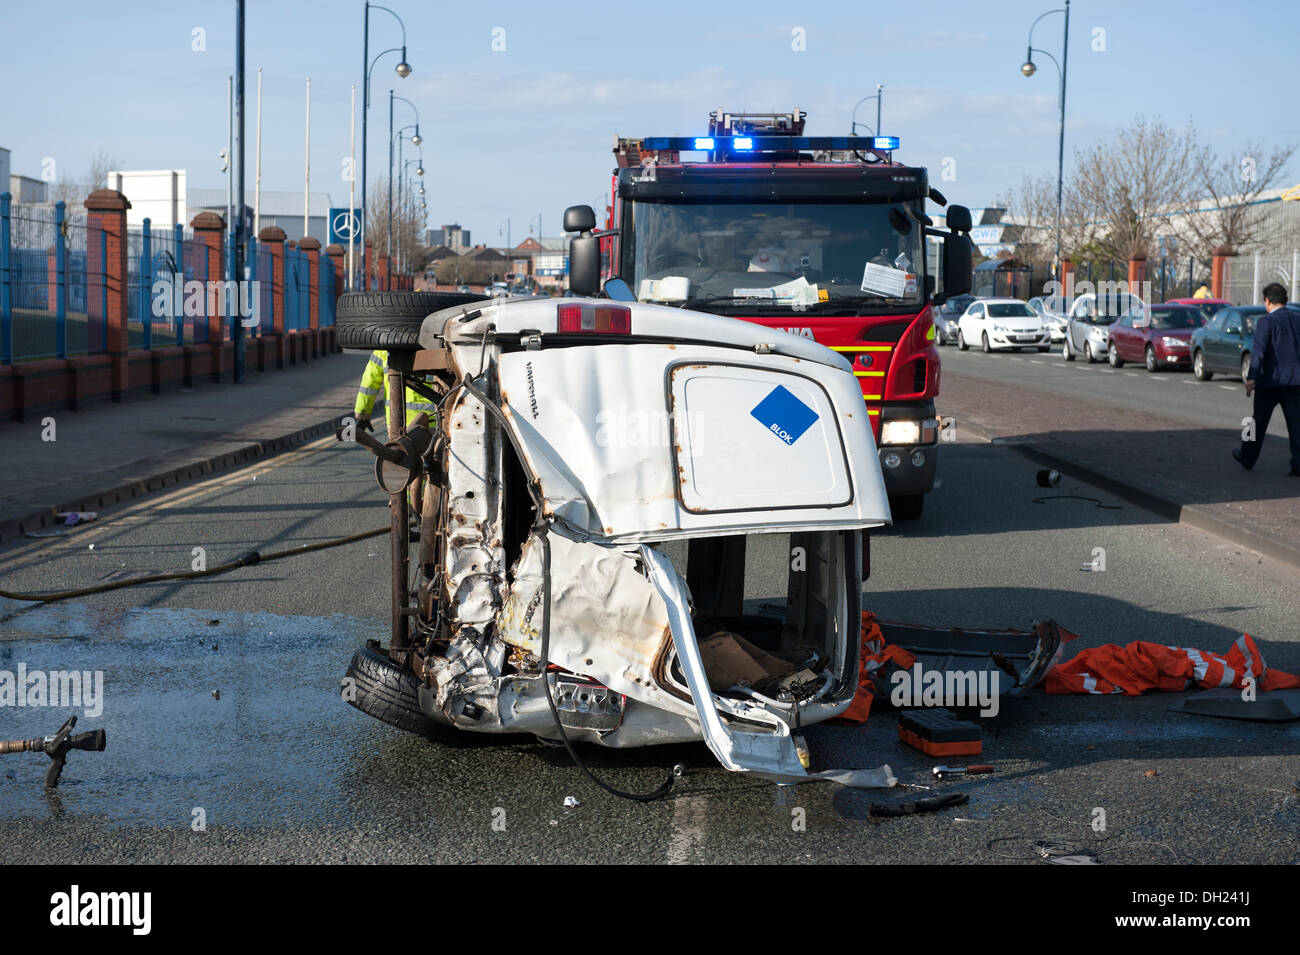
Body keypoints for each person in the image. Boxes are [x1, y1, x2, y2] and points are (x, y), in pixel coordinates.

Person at [1233, 283, 1300, 475]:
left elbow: (1259, 352)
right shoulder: (1297, 319)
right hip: (1295, 381)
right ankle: (1298, 464)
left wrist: (1252, 377)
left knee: (1257, 423)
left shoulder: (1266, 322)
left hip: (1269, 381)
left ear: (1268, 301)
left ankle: (1247, 457)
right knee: (1296, 424)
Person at [352, 350, 440, 435]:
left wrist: (362, 414)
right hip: (431, 420)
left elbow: (369, 384)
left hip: (395, 422)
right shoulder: (436, 346)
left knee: (398, 447)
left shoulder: (382, 350)